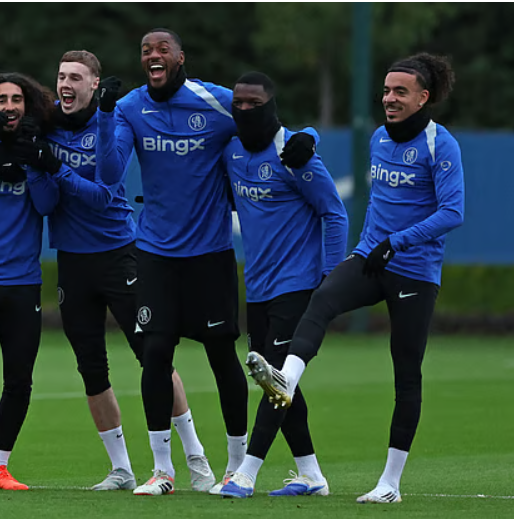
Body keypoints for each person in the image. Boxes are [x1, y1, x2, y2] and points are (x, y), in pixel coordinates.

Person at [248, 54, 464, 504]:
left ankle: (390, 484)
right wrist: (310, 135)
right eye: (386, 90)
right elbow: (317, 145)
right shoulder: (380, 138)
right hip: (371, 257)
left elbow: (452, 212)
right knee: (322, 298)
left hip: (414, 270)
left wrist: (397, 242)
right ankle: (287, 379)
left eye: (400, 91)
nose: (389, 98)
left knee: (406, 373)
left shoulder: (440, 144)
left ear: (423, 97)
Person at [0, 72, 113, 492]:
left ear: (28, 106)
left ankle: (0, 466)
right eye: (0, 100)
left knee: (19, 379)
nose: (9, 107)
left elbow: (48, 204)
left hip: (22, 282)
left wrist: (36, 162)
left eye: (16, 100)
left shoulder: (37, 148)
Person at [45, 50, 207, 492]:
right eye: (61, 76)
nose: (66, 84)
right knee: (90, 367)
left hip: (120, 254)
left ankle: (196, 457)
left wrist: (55, 166)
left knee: (153, 356)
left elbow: (104, 191)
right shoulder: (47, 123)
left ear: (94, 84)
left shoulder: (112, 119)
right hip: (72, 261)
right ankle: (121, 469)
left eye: (75, 77)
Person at [99, 29, 249, 496]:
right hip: (155, 254)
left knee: (222, 355)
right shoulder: (129, 108)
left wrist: (307, 137)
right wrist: (104, 116)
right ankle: (163, 470)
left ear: (181, 58)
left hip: (210, 254)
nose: (153, 55)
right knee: (155, 355)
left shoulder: (216, 101)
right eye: (146, 50)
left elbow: (267, 122)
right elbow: (109, 173)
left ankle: (237, 467)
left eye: (163, 49)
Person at [211, 72, 349, 498]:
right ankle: (311, 475)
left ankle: (246, 473)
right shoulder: (232, 151)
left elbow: (335, 213)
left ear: (271, 105)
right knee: (277, 380)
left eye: (254, 103)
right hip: (258, 286)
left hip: (298, 284)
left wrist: (330, 278)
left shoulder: (295, 155)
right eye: (239, 104)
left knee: (275, 379)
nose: (245, 110)